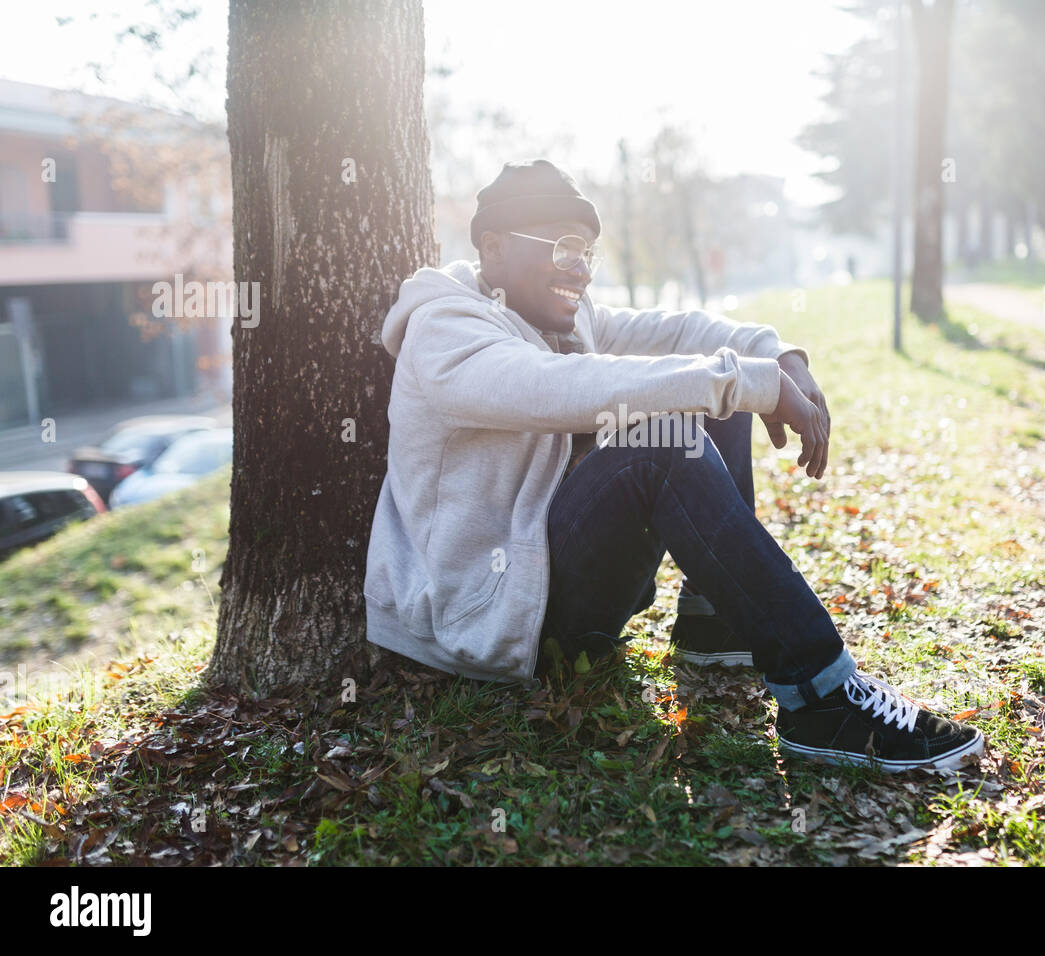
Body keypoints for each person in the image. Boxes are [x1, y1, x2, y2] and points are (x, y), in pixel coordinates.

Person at [364, 158, 983, 773]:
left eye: (586, 252)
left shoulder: (564, 318)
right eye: (562, 249)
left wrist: (775, 355)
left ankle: (714, 627)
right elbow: (557, 387)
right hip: (483, 613)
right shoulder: (445, 332)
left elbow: (679, 333)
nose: (579, 269)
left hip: (548, 586)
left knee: (702, 381)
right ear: (492, 249)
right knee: (672, 434)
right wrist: (745, 382)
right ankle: (823, 698)